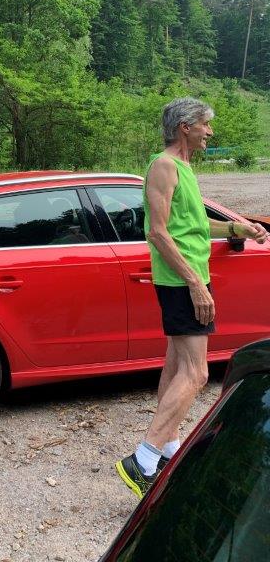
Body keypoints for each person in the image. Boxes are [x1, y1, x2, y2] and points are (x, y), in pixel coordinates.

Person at [115, 97, 268, 498]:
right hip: (183, 282)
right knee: (198, 373)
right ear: (185, 126)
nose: (210, 133)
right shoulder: (163, 166)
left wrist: (240, 230)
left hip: (189, 278)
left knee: (176, 364)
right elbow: (159, 232)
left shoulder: (183, 168)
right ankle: (143, 459)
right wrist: (195, 285)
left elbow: (195, 227)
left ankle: (168, 448)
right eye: (205, 125)